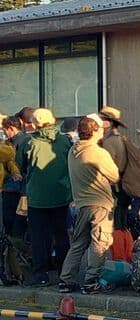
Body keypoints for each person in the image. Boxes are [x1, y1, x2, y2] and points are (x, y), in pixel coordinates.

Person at [58, 115, 118, 294]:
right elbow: (114, 175)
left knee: (78, 243)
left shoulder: (73, 151)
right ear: (95, 131)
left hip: (82, 203)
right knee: (99, 243)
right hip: (100, 203)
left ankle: (66, 280)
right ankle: (91, 281)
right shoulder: (98, 153)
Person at [19, 108, 71, 287]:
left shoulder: (29, 142)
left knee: (39, 237)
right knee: (61, 234)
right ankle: (65, 271)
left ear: (35, 124)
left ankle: (40, 274)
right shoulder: (65, 141)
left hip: (37, 197)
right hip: (61, 194)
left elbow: (21, 166)